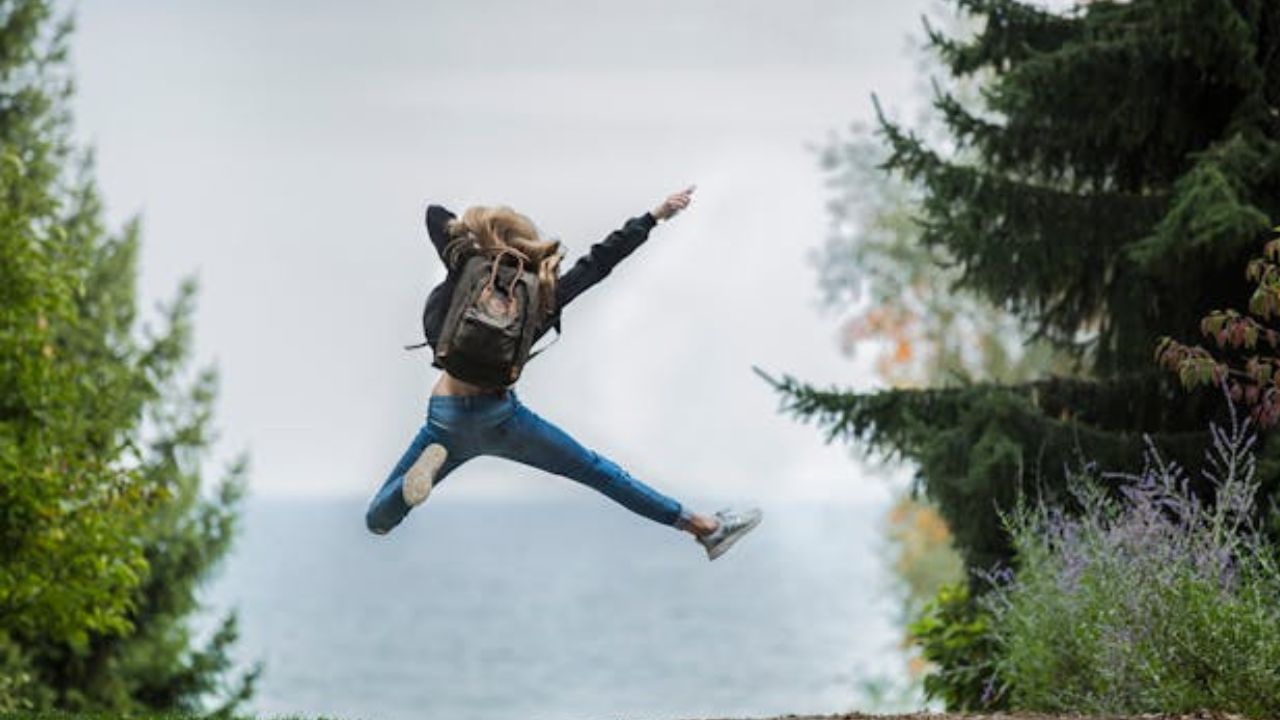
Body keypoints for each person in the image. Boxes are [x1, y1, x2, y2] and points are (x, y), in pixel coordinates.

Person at [364, 185, 761, 560]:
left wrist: (474, 242)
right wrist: (654, 217)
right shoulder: (541, 294)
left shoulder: (467, 267)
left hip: (445, 418)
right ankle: (706, 528)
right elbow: (600, 262)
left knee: (378, 520)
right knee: (598, 472)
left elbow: (434, 214)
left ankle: (408, 491)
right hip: (501, 420)